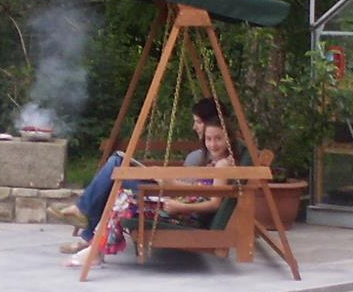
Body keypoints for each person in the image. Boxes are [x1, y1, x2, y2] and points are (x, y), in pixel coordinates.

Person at [57, 97, 232, 254]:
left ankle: (88, 232)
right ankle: (89, 235)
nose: (194, 127)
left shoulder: (221, 162)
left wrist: (171, 184)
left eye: (198, 122)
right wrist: (164, 176)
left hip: (173, 196)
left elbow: (206, 196)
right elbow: (195, 187)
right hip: (172, 190)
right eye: (209, 139)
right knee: (116, 164)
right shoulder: (207, 157)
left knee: (115, 171)